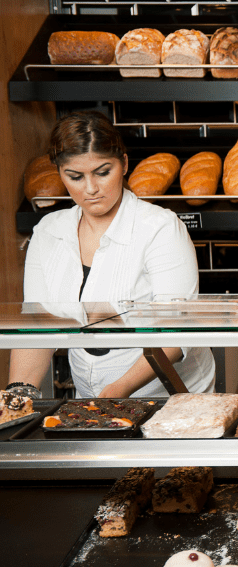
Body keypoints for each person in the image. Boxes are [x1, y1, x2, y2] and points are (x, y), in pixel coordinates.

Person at [6, 112, 215, 399]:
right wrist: (18, 395)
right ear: (60, 174)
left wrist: (116, 392)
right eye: (75, 177)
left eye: (103, 172)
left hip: (168, 396)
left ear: (124, 164)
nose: (90, 189)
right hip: (91, 394)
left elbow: (176, 335)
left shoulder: (161, 229)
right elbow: (39, 325)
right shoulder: (48, 232)